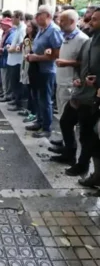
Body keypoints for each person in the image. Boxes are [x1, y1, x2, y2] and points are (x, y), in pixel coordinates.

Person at [53, 8, 100, 184]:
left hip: (93, 97)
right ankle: (69, 153)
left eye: (94, 20)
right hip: (80, 92)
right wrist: (79, 79)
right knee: (66, 120)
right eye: (90, 19)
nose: (89, 23)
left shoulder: (86, 39)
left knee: (87, 134)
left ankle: (83, 165)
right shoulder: (89, 42)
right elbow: (82, 65)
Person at [48, 10, 88, 160]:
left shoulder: (82, 39)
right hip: (61, 81)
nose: (60, 23)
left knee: (67, 119)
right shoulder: (65, 37)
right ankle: (65, 143)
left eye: (63, 21)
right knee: (62, 117)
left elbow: (85, 63)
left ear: (72, 22)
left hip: (71, 84)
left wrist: (67, 63)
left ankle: (69, 150)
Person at [25, 5, 63, 138]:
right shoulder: (42, 29)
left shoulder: (53, 30)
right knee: (37, 97)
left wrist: (37, 57)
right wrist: (32, 55)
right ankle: (39, 121)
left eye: (39, 14)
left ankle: (46, 127)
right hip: (37, 68)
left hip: (47, 70)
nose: (36, 17)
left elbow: (57, 53)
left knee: (45, 100)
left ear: (47, 15)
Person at [20, 19, 39, 123]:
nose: (27, 28)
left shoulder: (36, 40)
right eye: (27, 26)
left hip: (33, 67)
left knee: (33, 91)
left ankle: (34, 112)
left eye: (29, 27)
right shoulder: (26, 39)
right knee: (28, 89)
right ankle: (29, 109)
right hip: (26, 65)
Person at [7, 10, 26, 111]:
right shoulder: (17, 29)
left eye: (13, 17)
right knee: (13, 82)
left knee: (16, 83)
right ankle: (15, 99)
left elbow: (22, 45)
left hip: (17, 60)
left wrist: (12, 49)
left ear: (19, 17)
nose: (12, 19)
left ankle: (18, 103)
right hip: (13, 60)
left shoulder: (23, 29)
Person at [0, 17, 15, 103]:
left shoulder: (11, 34)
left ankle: (7, 94)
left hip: (6, 58)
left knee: (6, 78)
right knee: (4, 77)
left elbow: (9, 45)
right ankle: (5, 92)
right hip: (3, 58)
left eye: (3, 24)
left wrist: (2, 49)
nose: (1, 25)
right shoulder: (5, 33)